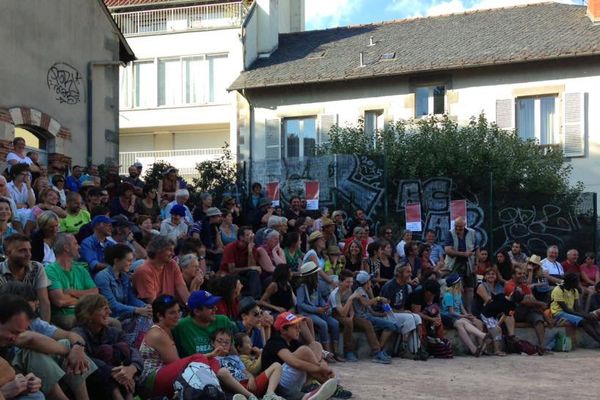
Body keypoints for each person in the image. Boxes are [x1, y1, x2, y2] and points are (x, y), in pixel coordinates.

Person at [139, 294, 254, 399]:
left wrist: (209, 356)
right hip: (151, 381)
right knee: (199, 359)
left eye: (178, 311)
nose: (177, 316)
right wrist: (205, 357)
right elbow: (179, 365)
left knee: (210, 359)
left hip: (164, 378)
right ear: (159, 315)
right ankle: (219, 394)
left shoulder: (169, 329)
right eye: (172, 313)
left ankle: (237, 394)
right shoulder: (158, 334)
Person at [0, 281, 97, 400]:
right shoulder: (14, 330)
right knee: (32, 353)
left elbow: (69, 335)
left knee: (68, 345)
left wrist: (76, 349)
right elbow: (30, 339)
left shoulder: (31, 322)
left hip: (22, 373)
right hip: (14, 372)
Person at [72, 294, 143, 400]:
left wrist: (132, 368)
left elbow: (133, 351)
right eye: (104, 309)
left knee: (123, 348)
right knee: (106, 352)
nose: (109, 312)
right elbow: (87, 361)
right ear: (88, 313)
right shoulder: (77, 334)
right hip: (95, 384)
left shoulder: (114, 332)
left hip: (121, 380)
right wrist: (114, 372)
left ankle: (128, 396)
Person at [260, 311, 341, 400]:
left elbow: (311, 359)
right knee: (304, 351)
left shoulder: (293, 341)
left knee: (315, 345)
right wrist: (321, 368)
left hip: (292, 379)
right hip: (278, 384)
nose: (299, 330)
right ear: (283, 330)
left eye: (299, 327)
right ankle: (326, 382)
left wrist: (322, 364)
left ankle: (316, 383)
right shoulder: (274, 341)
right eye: (295, 328)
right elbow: (294, 362)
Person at [329, 269, 390, 363]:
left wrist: (352, 316)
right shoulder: (335, 294)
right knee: (348, 322)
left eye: (351, 282)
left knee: (367, 323)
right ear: (340, 282)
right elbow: (342, 313)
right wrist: (351, 299)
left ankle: (377, 352)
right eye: (347, 282)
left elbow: (351, 309)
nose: (350, 284)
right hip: (336, 315)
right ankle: (348, 351)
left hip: (349, 314)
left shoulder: (349, 290)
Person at [212, 329, 284, 400]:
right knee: (222, 371)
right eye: (219, 341)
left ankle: (269, 394)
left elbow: (245, 371)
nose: (223, 344)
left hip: (250, 385)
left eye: (227, 342)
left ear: (230, 345)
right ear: (212, 343)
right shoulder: (211, 359)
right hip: (236, 388)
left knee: (277, 365)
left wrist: (251, 378)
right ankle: (250, 396)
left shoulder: (235, 357)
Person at [46, 233, 98, 329]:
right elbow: (60, 301)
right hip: (64, 315)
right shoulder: (50, 270)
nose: (79, 247)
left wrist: (72, 292)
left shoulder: (80, 268)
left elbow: (95, 293)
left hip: (85, 312)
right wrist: (85, 299)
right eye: (75, 244)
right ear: (66, 248)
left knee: (113, 323)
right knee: (89, 324)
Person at [0, 294, 44, 400]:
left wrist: (24, 383)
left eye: (19, 333)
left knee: (35, 395)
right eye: (13, 332)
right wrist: (3, 393)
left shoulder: (6, 344)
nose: (15, 338)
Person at [296, 262, 342, 362]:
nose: (318, 275)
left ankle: (336, 352)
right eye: (315, 273)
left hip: (319, 311)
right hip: (307, 313)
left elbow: (319, 298)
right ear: (310, 275)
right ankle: (326, 352)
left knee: (335, 323)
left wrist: (325, 305)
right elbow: (300, 304)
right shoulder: (302, 287)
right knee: (323, 324)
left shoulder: (316, 285)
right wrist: (316, 310)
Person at [379, 264, 427, 360]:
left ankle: (418, 347)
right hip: (385, 314)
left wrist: (404, 311)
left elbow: (401, 306)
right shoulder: (390, 286)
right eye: (407, 272)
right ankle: (403, 349)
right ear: (399, 274)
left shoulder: (405, 286)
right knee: (409, 317)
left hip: (396, 313)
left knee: (417, 317)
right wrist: (403, 312)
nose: (410, 274)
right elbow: (386, 308)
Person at [0, 234, 50, 321]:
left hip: (35, 319)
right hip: (8, 322)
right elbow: (6, 306)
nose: (28, 254)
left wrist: (45, 326)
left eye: (29, 250)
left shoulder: (37, 267)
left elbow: (44, 302)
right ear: (8, 253)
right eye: (22, 250)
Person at [94, 244, 152, 320]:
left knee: (150, 316)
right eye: (129, 260)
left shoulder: (125, 276)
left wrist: (145, 306)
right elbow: (111, 305)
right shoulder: (102, 277)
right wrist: (136, 310)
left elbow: (131, 299)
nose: (131, 263)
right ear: (116, 260)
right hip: (112, 317)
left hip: (125, 315)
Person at [173, 290, 236, 357]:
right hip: (196, 366)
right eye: (211, 307)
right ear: (197, 311)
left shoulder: (223, 321)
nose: (216, 309)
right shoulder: (181, 326)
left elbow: (233, 351)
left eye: (215, 305)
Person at [440, 273, 489, 356]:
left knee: (477, 322)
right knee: (463, 322)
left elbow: (461, 308)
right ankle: (481, 338)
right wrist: (465, 316)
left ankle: (481, 348)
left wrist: (468, 316)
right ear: (456, 284)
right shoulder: (448, 295)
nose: (462, 283)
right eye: (460, 281)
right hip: (450, 317)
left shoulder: (458, 294)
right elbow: (451, 312)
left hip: (459, 317)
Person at [132, 235, 189, 304]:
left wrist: (191, 307)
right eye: (170, 250)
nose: (173, 254)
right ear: (158, 250)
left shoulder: (172, 264)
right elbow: (153, 304)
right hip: (156, 312)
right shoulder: (144, 271)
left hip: (171, 309)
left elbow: (182, 289)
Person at [504, 265, 548, 353]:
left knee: (538, 320)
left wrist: (533, 302)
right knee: (529, 301)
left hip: (527, 310)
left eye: (524, 273)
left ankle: (542, 346)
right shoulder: (509, 285)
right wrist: (540, 303)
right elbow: (523, 301)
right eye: (519, 273)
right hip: (514, 312)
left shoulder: (525, 286)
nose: (522, 275)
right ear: (513, 275)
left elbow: (531, 300)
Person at [474, 267, 515, 356]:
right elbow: (488, 300)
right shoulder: (481, 286)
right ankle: (496, 350)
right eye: (488, 274)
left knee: (509, 314)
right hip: (483, 311)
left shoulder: (499, 287)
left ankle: (512, 337)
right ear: (484, 277)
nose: (491, 276)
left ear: (496, 276)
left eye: (493, 274)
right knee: (497, 329)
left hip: (495, 311)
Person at [550, 273, 600, 345]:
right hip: (558, 313)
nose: (578, 284)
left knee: (593, 319)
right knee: (583, 321)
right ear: (570, 282)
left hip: (569, 312)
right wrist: (585, 316)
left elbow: (577, 308)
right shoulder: (558, 290)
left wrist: (587, 315)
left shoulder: (574, 290)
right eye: (576, 282)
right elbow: (566, 310)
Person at [443, 216, 478, 312]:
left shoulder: (472, 233)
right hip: (455, 264)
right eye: (456, 226)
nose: (458, 229)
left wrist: (476, 264)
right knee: (457, 287)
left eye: (460, 227)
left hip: (469, 264)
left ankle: (469, 310)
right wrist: (463, 254)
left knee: (470, 288)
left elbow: (477, 249)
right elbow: (447, 250)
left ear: (465, 225)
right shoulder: (450, 233)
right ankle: (460, 310)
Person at [220, 226, 262, 299]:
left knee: (254, 273)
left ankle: (255, 299)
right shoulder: (230, 248)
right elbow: (232, 270)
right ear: (241, 237)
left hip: (243, 275)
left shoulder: (252, 247)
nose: (251, 237)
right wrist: (250, 268)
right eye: (248, 235)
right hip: (229, 275)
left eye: (252, 234)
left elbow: (252, 267)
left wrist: (250, 251)